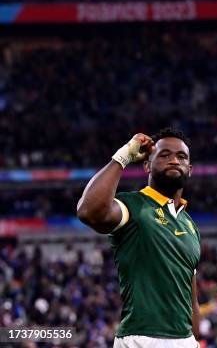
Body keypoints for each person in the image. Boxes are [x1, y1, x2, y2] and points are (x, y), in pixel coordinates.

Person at [77, 127, 201, 348]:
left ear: (189, 169)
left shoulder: (190, 225)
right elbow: (89, 211)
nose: (174, 160)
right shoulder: (134, 205)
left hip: (185, 341)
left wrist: (196, 339)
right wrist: (123, 156)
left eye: (181, 157)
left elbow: (191, 296)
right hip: (140, 339)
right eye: (164, 155)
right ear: (147, 165)